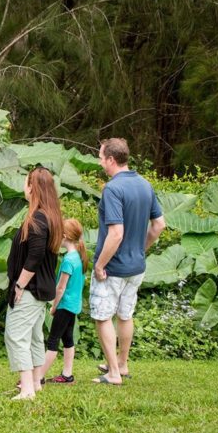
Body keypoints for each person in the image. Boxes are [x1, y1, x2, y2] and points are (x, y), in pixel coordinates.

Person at [91, 138, 165, 385]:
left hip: (114, 267)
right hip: (137, 266)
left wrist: (100, 264)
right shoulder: (144, 184)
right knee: (125, 315)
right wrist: (140, 249)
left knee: (102, 317)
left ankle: (112, 373)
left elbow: (116, 233)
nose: (100, 162)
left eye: (101, 157)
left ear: (111, 160)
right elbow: (159, 225)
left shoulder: (113, 189)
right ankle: (122, 364)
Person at [4, 167, 63, 400]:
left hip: (31, 288)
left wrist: (19, 285)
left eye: (26, 182)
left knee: (17, 335)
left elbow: (35, 255)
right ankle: (36, 383)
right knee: (35, 336)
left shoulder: (38, 217)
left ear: (32, 187)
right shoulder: (50, 216)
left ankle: (27, 389)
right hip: (43, 288)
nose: (23, 186)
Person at [41, 218, 89, 384]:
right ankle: (67, 374)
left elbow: (60, 288)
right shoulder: (79, 257)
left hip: (64, 305)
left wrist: (54, 306)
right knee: (68, 339)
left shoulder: (68, 260)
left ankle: (37, 377)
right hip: (73, 305)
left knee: (53, 340)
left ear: (66, 236)